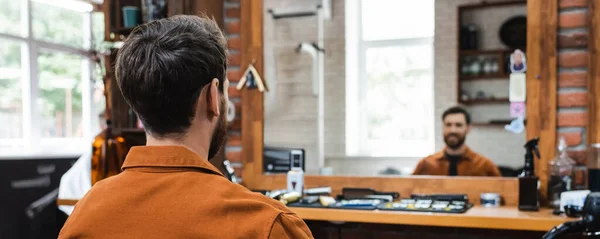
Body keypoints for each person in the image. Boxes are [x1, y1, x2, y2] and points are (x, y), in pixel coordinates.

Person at [59, 15, 313, 239]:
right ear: (213, 97)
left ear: (137, 105)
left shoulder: (86, 214)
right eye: (225, 92)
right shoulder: (268, 226)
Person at [412, 106, 501, 177]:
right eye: (448, 125)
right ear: (443, 127)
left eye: (458, 125)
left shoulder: (484, 165)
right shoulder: (426, 164)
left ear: (468, 128)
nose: (453, 130)